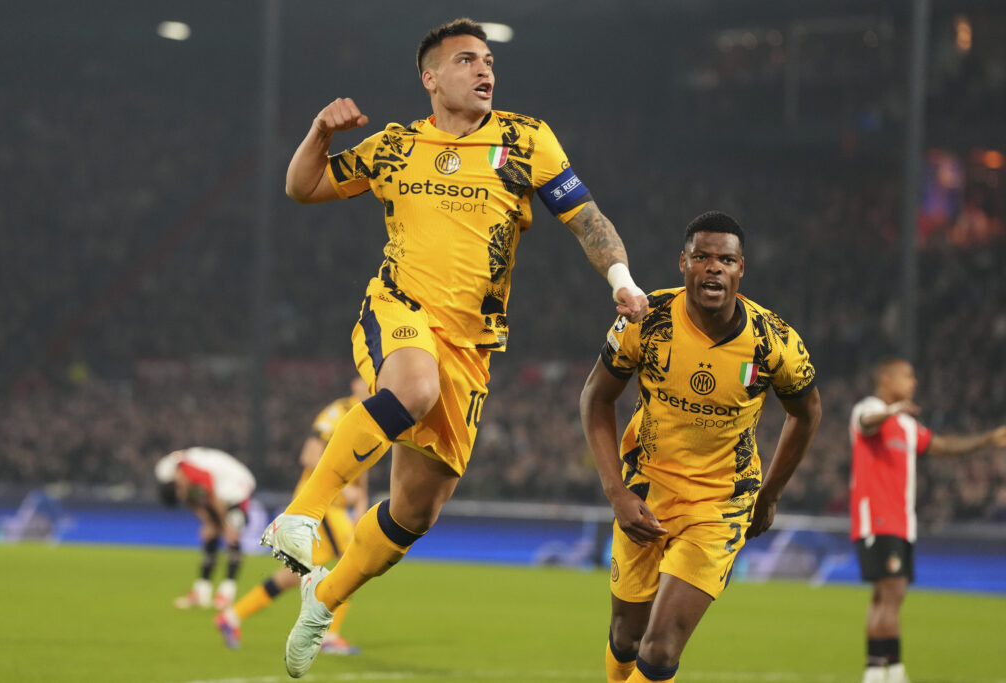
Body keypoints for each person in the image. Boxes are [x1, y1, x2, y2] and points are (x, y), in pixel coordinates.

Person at [260, 17, 650, 678]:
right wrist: (319, 134)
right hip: (400, 308)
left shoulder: (525, 140)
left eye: (489, 60)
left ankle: (323, 596)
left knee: (416, 511)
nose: (484, 70)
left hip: (472, 347)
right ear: (430, 77)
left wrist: (620, 278)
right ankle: (297, 516)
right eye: (467, 60)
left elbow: (585, 216)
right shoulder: (394, 146)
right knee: (412, 388)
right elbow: (303, 186)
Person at [580, 211, 822, 683]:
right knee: (627, 636)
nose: (714, 267)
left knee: (660, 643)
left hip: (719, 505)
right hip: (646, 493)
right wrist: (617, 493)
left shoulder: (773, 343)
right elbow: (595, 397)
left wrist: (768, 494)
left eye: (726, 259)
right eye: (703, 257)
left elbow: (807, 412)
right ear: (683, 264)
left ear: (740, 269)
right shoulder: (646, 320)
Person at [849, 358, 1006, 683]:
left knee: (887, 596)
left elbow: (944, 445)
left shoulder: (907, 426)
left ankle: (877, 670)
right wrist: (892, 411)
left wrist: (987, 439)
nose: (914, 381)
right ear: (886, 379)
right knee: (891, 594)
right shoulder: (870, 407)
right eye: (907, 375)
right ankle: (892, 670)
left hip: (901, 521)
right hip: (877, 518)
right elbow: (867, 422)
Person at [215, 378, 371, 654]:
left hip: (334, 505)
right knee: (353, 563)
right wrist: (346, 495)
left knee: (292, 573)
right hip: (321, 503)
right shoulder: (337, 413)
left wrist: (359, 507)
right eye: (367, 379)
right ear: (354, 384)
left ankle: (231, 616)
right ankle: (329, 637)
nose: (373, 384)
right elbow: (310, 456)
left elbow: (363, 466)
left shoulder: (372, 417)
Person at [155, 447, 256, 610]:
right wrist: (209, 521)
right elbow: (192, 498)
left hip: (238, 487)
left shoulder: (194, 473)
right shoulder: (179, 475)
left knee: (232, 535)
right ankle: (202, 592)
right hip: (221, 490)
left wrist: (224, 526)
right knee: (210, 535)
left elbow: (213, 498)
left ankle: (226, 593)